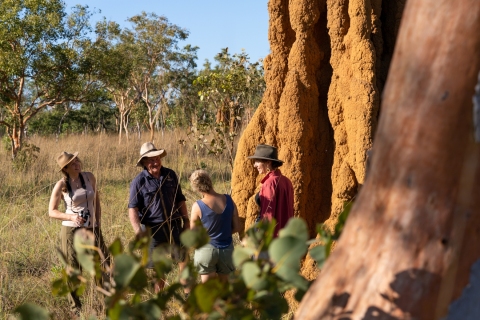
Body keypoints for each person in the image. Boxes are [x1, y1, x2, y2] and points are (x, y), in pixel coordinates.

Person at [48, 151, 109, 314]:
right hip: (71, 230)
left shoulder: (89, 177)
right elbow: (51, 211)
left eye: (78, 161)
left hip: (92, 228)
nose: (78, 164)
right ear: (66, 168)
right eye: (73, 163)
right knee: (74, 268)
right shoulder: (61, 184)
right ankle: (76, 309)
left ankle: (107, 303)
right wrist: (70, 216)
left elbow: (96, 199)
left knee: (103, 263)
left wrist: (98, 222)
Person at [128, 142, 190, 293]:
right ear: (144, 162)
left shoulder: (171, 175)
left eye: (157, 158)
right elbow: (133, 209)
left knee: (183, 259)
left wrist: (186, 221)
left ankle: (188, 295)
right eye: (150, 160)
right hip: (153, 229)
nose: (155, 162)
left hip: (174, 225)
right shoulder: (139, 181)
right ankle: (159, 300)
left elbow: (180, 199)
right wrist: (138, 231)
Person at [189, 170, 240, 283]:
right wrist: (223, 233)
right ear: (210, 181)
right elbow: (237, 227)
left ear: (197, 188)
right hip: (227, 251)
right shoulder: (229, 200)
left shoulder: (197, 206)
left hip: (205, 251)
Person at [248, 144, 294, 237]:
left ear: (268, 162)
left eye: (257, 161)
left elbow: (268, 215)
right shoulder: (287, 181)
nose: (254, 165)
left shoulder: (269, 183)